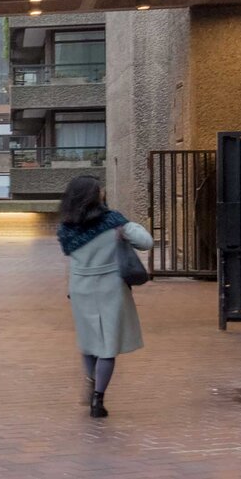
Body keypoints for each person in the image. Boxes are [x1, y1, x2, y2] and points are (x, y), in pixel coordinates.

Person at [55, 172, 151, 418]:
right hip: (110, 288)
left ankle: (90, 378)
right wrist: (127, 228)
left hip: (80, 289)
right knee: (108, 345)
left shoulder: (66, 229)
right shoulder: (115, 222)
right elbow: (147, 242)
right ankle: (98, 399)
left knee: (89, 342)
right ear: (95, 196)